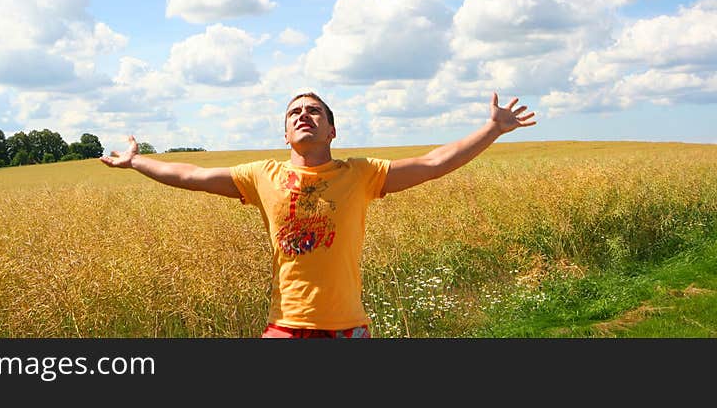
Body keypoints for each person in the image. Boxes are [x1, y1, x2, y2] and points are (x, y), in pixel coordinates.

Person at [99, 90, 536, 338]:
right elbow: (189, 173)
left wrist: (493, 128)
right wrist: (136, 161)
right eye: (294, 112)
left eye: (314, 111)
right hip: (284, 328)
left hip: (347, 329)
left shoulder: (361, 175)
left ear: (331, 130)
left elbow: (435, 162)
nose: (303, 115)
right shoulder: (261, 176)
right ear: (286, 133)